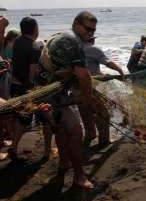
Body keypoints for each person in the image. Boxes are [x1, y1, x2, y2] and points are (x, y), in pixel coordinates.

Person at [37, 11, 96, 189]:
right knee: (76, 132)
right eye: (87, 29)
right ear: (76, 24)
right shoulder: (73, 42)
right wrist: (87, 101)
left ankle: (64, 163)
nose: (90, 34)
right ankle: (79, 177)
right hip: (51, 95)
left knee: (61, 130)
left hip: (43, 90)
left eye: (93, 31)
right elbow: (84, 76)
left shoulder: (63, 35)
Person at [8, 17, 51, 161]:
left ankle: (13, 147)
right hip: (28, 88)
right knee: (46, 118)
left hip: (14, 85)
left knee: (22, 119)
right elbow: (32, 70)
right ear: (35, 29)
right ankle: (46, 152)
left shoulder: (18, 42)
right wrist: (33, 88)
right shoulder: (33, 46)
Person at [80, 36, 124, 145]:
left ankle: (90, 134)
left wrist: (104, 75)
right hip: (90, 87)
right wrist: (120, 70)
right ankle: (104, 140)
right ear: (92, 40)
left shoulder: (76, 49)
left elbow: (90, 68)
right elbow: (107, 62)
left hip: (77, 87)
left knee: (86, 112)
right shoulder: (93, 49)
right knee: (103, 114)